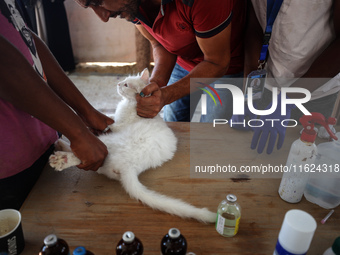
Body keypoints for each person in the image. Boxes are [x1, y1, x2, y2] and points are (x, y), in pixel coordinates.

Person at [0, 0, 114, 210]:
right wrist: (77, 132)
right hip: (7, 164)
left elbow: (25, 37)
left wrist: (85, 111)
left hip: (40, 140)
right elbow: (5, 64)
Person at [75, 0, 246, 122]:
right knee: (172, 124)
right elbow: (159, 43)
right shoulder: (131, 5)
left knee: (209, 135)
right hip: (183, 61)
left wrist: (167, 95)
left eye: (98, 2)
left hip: (225, 69)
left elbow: (217, 63)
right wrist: (156, 83)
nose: (103, 17)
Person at [232, 0, 340, 154]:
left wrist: (287, 100)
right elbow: (255, 24)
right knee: (252, 158)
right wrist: (251, 89)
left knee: (300, 162)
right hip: (269, 83)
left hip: (314, 93)